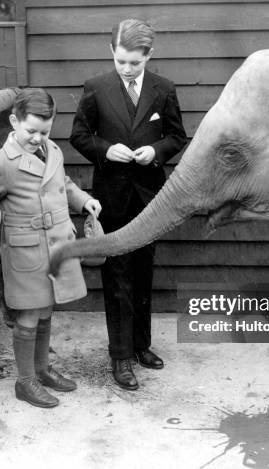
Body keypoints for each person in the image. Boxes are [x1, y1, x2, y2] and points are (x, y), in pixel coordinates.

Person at [70, 19, 187, 390]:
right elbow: (79, 136)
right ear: (112, 53)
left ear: (148, 56)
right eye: (121, 61)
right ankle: (119, 356)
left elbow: (176, 137)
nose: (126, 69)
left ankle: (141, 346)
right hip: (112, 196)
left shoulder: (163, 89)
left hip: (150, 196)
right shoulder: (96, 88)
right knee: (117, 275)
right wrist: (106, 150)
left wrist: (155, 151)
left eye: (134, 63)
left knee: (143, 272)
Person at [0, 88, 102, 408]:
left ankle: (42, 370)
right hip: (27, 250)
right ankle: (25, 380)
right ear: (14, 121)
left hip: (56, 244)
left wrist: (84, 200)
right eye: (31, 131)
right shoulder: (4, 162)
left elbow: (64, 183)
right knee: (29, 314)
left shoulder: (51, 149)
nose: (37, 138)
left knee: (46, 309)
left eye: (44, 131)